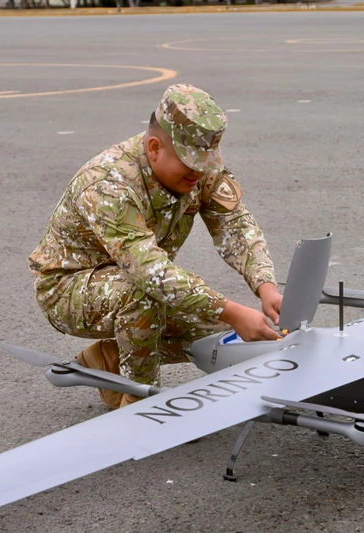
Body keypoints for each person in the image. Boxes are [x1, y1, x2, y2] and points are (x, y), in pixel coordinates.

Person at [28, 83, 283, 409]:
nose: (199, 172)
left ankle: (112, 361)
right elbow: (149, 272)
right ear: (154, 147)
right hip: (68, 289)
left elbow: (235, 226)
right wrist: (232, 310)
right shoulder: (108, 181)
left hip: (131, 280)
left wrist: (265, 285)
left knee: (224, 333)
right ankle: (139, 406)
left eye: (205, 162)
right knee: (148, 294)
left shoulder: (199, 169)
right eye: (190, 162)